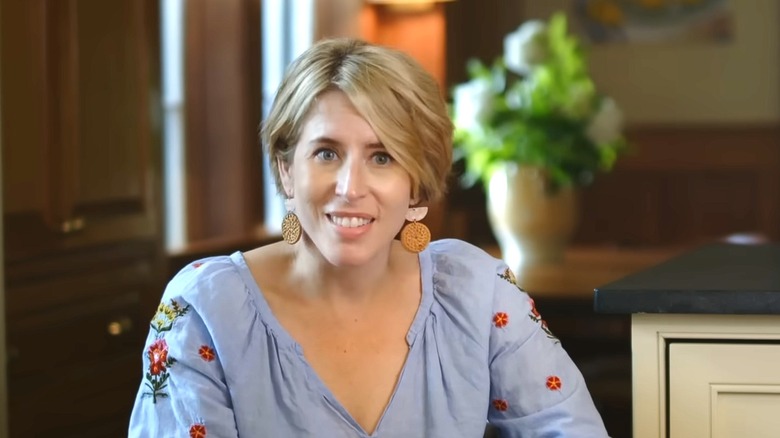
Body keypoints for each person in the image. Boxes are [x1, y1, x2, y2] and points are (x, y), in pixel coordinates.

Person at [128, 37, 609, 437]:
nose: (351, 188)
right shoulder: (205, 311)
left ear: (416, 182)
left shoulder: (476, 291)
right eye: (326, 153)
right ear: (286, 170)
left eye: (382, 157)